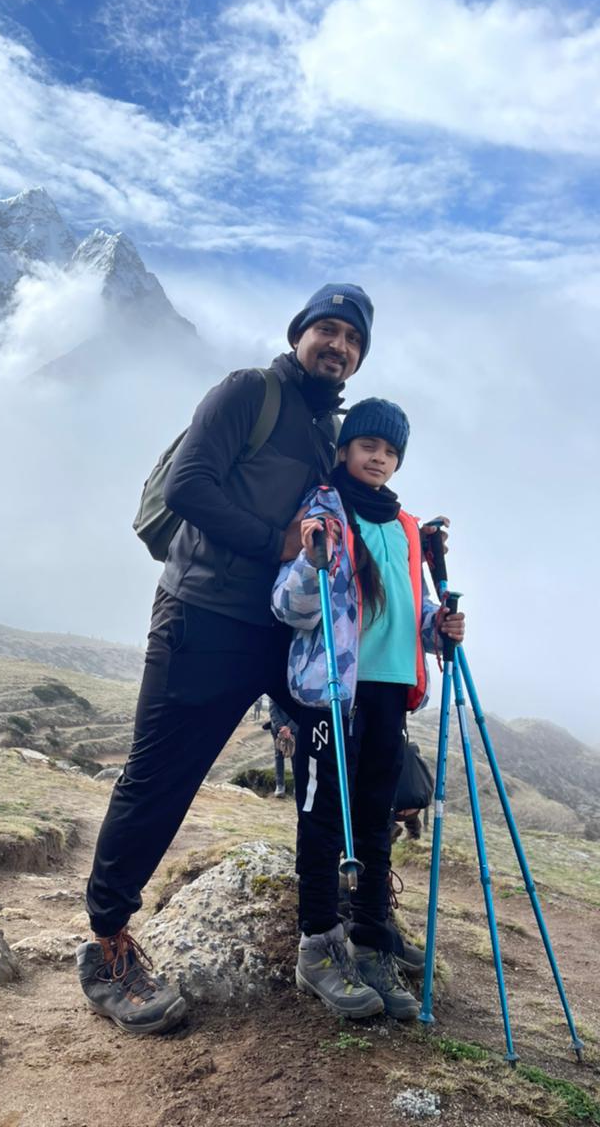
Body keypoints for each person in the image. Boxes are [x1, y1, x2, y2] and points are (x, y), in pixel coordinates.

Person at [77, 284, 375, 1036]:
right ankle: (107, 947)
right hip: (201, 616)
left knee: (335, 761)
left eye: (352, 338)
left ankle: (327, 935)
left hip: (280, 632)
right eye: (326, 331)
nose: (336, 346)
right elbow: (189, 486)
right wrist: (274, 542)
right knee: (160, 780)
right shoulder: (252, 391)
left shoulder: (320, 426)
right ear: (300, 334)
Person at [271, 398, 465, 1021]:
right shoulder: (323, 513)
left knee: (379, 816)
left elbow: (406, 615)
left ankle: (371, 936)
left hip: (387, 689)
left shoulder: (406, 526)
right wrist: (310, 560)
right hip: (333, 692)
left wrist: (442, 627)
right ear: (346, 449)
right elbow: (290, 608)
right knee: (326, 817)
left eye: (390, 450)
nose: (378, 457)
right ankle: (318, 945)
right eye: (368, 446)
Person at [267, 697, 297, 798]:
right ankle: (280, 786)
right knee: (279, 757)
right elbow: (272, 710)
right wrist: (282, 728)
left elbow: (299, 710)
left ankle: (297, 787)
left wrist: (289, 728)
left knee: (296, 758)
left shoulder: (297, 691)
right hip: (277, 730)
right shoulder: (275, 689)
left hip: (294, 729)